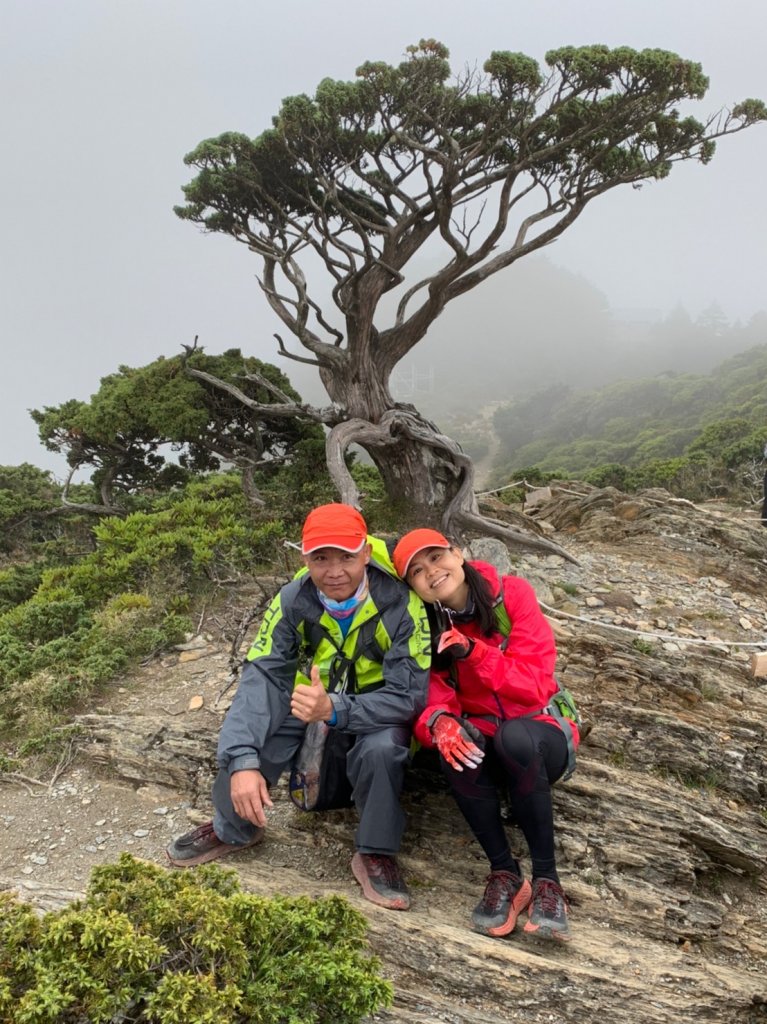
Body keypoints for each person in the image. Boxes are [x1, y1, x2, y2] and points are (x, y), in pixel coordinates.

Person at [167, 504, 431, 911]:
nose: (334, 571)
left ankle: (374, 851)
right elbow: (264, 675)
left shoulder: (401, 603)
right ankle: (234, 828)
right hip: (310, 698)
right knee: (253, 732)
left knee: (382, 749)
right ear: (304, 558)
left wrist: (337, 708)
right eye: (320, 558)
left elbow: (407, 695)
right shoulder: (293, 598)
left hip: (375, 706)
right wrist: (241, 760)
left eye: (346, 556)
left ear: (365, 552)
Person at [392, 528, 579, 942]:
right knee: (456, 743)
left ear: (458, 554)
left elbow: (534, 684)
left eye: (437, 558)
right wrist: (438, 721)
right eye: (417, 572)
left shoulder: (512, 595)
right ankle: (506, 875)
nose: (432, 573)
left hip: (540, 731)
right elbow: (429, 695)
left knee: (515, 737)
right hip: (488, 738)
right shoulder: (425, 624)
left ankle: (548, 881)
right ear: (413, 588)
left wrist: (474, 654)